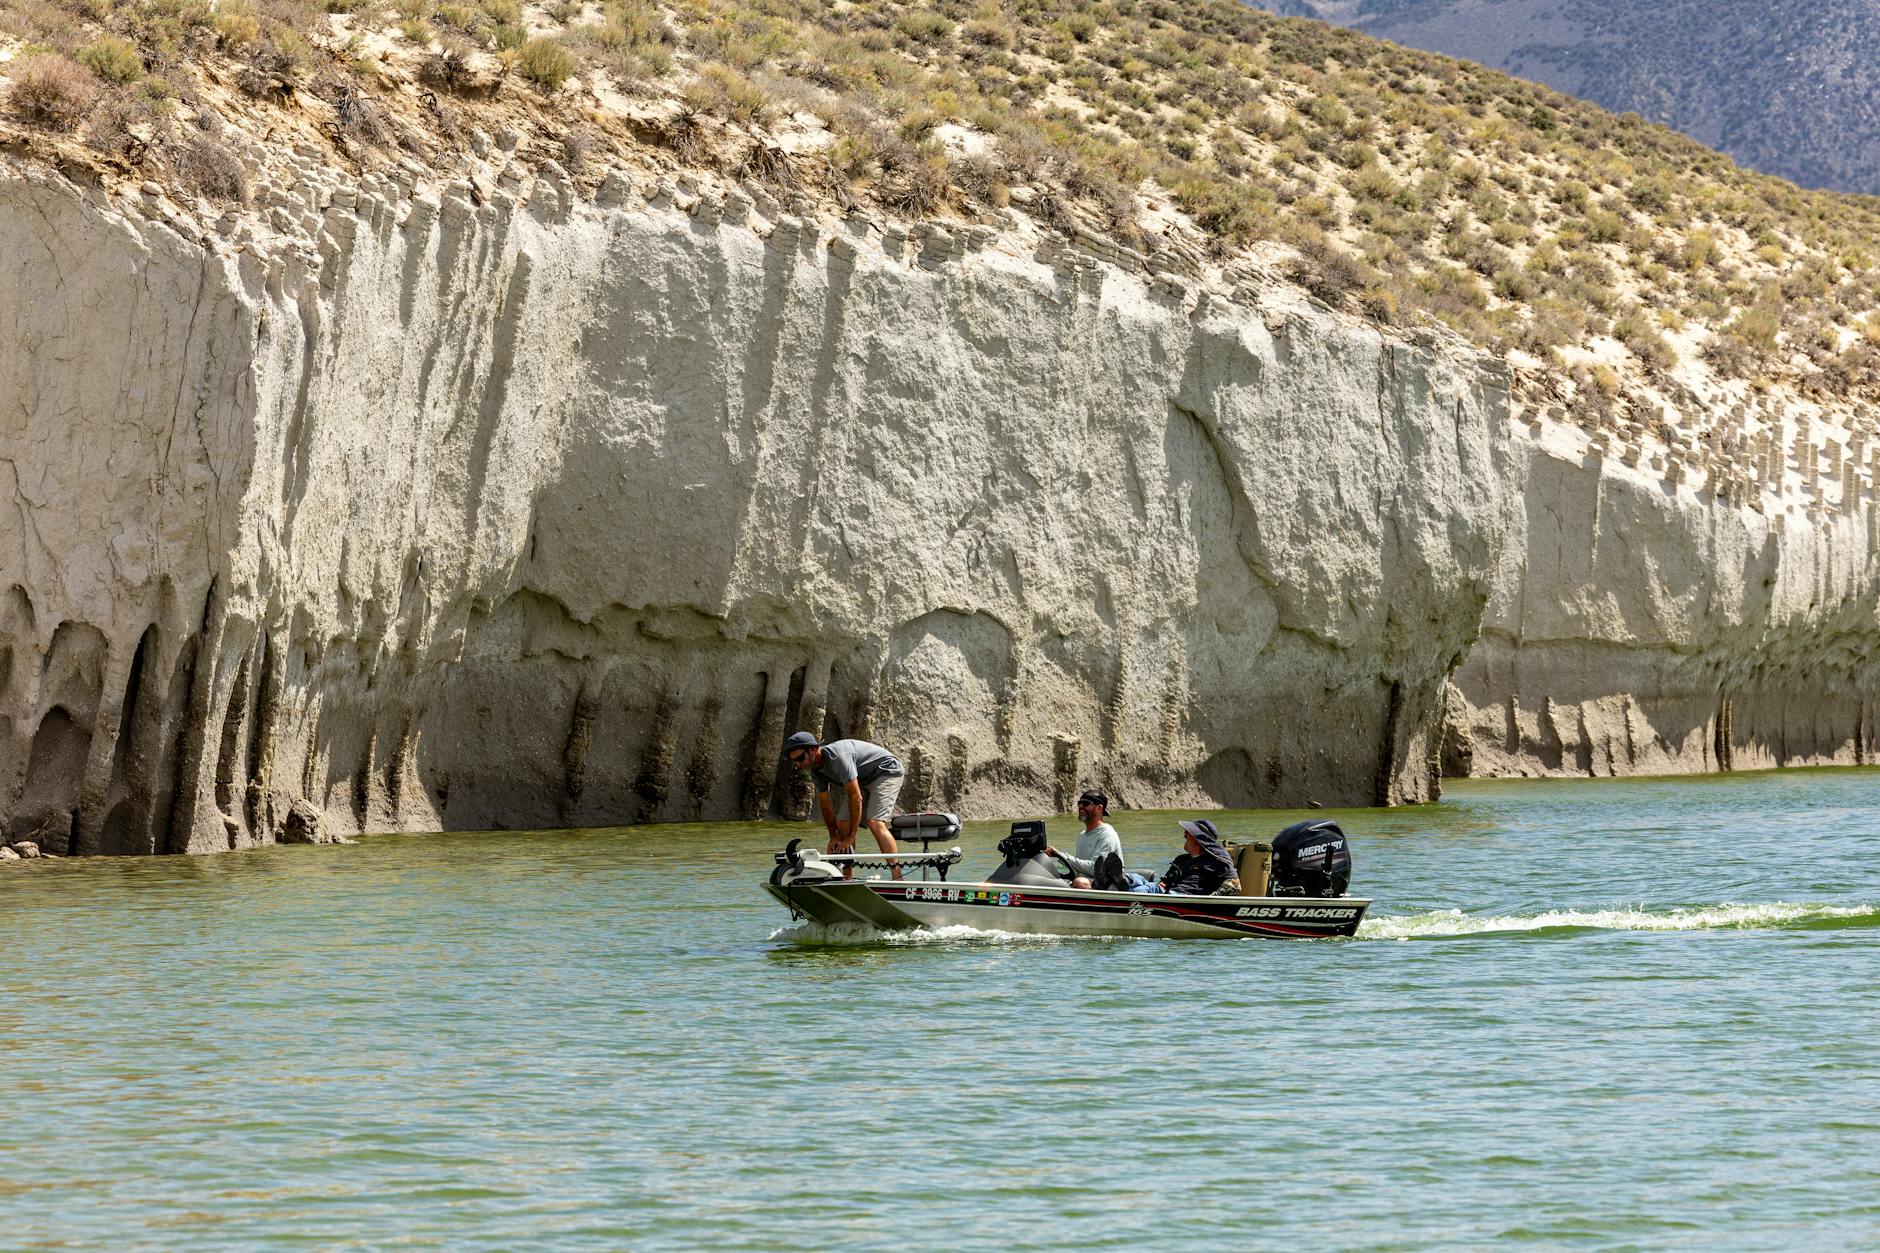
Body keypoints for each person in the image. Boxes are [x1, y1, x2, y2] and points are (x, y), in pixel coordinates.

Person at [783, 731, 904, 880]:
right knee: (842, 823)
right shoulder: (815, 770)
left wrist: (851, 836)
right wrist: (833, 835)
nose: (798, 764)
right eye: (794, 761)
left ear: (813, 750)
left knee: (875, 823)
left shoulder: (838, 758)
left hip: (886, 771)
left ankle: (897, 877)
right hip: (862, 780)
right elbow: (825, 804)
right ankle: (847, 877)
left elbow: (856, 797)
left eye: (800, 758)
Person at [1125, 819, 1241, 896]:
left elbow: (1235, 885)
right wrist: (1162, 884)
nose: (1184, 833)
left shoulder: (1215, 862)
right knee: (1135, 879)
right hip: (1165, 892)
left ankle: (1122, 900)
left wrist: (1211, 899)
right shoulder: (1181, 860)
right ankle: (1118, 880)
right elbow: (1164, 883)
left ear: (1199, 840)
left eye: (1189, 833)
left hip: (1181, 897)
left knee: (1143, 890)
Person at [1044, 789, 1126, 890]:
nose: (1081, 807)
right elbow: (1080, 867)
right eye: (1079, 803)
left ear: (1099, 808)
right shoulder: (1082, 835)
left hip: (1109, 885)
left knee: (1080, 882)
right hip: (1090, 882)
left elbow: (1095, 869)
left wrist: (1061, 855)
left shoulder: (1107, 834)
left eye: (1086, 804)